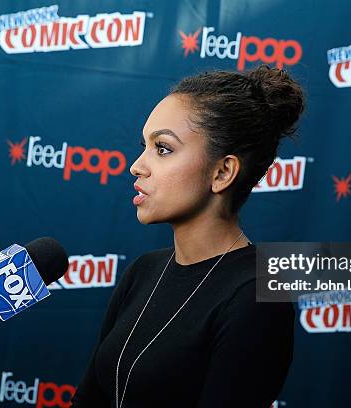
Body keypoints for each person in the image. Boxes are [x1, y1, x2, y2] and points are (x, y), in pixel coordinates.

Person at [71, 65, 305, 407]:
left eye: (162, 148)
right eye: (144, 146)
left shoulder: (255, 295)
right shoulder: (144, 271)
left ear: (223, 172)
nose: (137, 165)